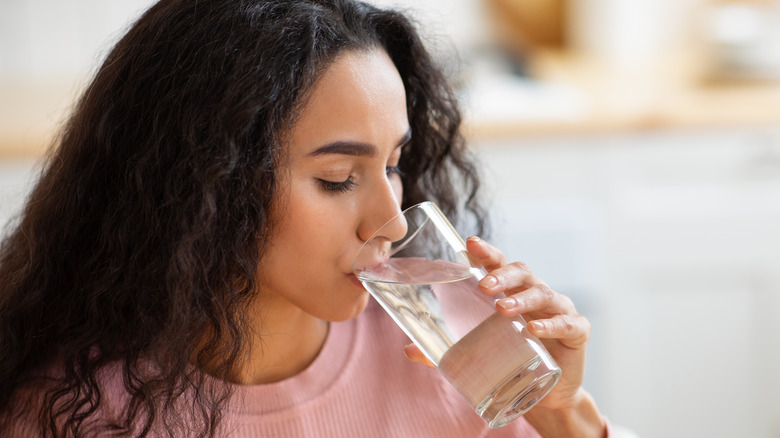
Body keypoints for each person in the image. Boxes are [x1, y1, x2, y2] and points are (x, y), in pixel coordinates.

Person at [0, 0, 610, 436]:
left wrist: (564, 414)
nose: (393, 223)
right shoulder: (73, 410)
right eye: (337, 179)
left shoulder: (454, 354)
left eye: (395, 165)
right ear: (204, 183)